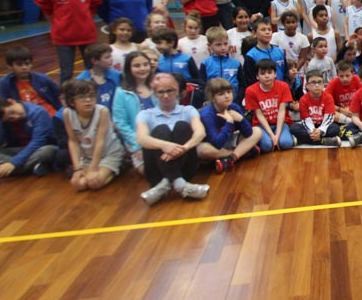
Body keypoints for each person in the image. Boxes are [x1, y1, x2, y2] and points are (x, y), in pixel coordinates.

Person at [135, 73, 209, 204]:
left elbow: (200, 133)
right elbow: (141, 138)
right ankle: (179, 184)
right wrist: (165, 145)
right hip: (156, 171)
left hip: (185, 167)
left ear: (177, 91)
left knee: (182, 126)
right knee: (161, 130)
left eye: (170, 91)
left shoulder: (188, 110)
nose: (166, 96)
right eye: (161, 92)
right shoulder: (145, 114)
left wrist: (183, 148)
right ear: (155, 94)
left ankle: (166, 184)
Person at [0, 98, 57, 183]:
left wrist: (14, 163)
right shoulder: (2, 119)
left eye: (12, 112)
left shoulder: (37, 112)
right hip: (21, 150)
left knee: (48, 150)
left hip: (40, 148)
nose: (15, 117)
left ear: (12, 101)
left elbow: (38, 141)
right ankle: (33, 166)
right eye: (9, 119)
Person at [61, 79, 125, 191]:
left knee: (95, 183)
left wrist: (93, 169)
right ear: (72, 102)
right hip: (87, 156)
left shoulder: (102, 111)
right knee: (80, 184)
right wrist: (77, 169)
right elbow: (73, 141)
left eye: (91, 96)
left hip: (109, 153)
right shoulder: (67, 113)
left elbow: (100, 141)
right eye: (82, 97)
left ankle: (119, 168)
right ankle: (107, 171)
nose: (88, 100)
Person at [197, 77, 262, 173]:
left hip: (230, 140)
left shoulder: (234, 107)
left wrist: (241, 119)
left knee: (257, 131)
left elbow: (249, 133)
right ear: (213, 98)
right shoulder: (207, 115)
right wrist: (229, 122)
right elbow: (217, 144)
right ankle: (240, 153)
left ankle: (230, 159)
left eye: (229, 92)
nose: (227, 96)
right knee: (201, 149)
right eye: (221, 94)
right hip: (215, 145)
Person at [112, 51, 156, 174]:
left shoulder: (158, 86)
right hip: (139, 141)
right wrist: (137, 146)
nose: (142, 69)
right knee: (148, 171)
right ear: (128, 69)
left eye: (145, 64)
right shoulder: (121, 92)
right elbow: (121, 123)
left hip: (162, 136)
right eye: (137, 66)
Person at [245, 58, 295, 152]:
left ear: (275, 74)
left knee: (286, 143)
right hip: (261, 124)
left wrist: (277, 135)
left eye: (269, 72)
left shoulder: (283, 86)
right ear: (257, 76)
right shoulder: (250, 91)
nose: (267, 76)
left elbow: (282, 111)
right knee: (266, 146)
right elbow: (259, 115)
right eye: (262, 73)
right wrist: (272, 135)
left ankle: (289, 137)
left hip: (280, 122)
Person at [0, 46, 61, 116]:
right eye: (19, 64)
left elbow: (58, 96)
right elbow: (4, 105)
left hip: (50, 115)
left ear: (31, 64)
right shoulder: (6, 83)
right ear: (10, 66)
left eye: (27, 64)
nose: (24, 67)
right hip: (26, 117)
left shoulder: (43, 78)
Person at [292, 70, 341, 146]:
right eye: (313, 82)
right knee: (294, 128)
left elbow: (329, 118)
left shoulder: (328, 97)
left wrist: (320, 131)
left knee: (335, 128)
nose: (317, 85)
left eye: (319, 82)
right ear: (307, 85)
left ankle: (303, 140)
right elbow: (306, 120)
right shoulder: (303, 99)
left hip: (323, 125)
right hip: (309, 126)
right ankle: (323, 141)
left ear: (323, 84)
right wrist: (313, 131)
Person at [75, 43, 122, 108]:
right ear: (94, 61)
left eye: (111, 56)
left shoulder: (117, 75)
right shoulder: (81, 80)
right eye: (107, 57)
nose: (111, 59)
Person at [243, 18, 286, 89]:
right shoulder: (251, 55)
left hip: (280, 90)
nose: (267, 32)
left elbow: (286, 74)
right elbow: (250, 80)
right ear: (254, 33)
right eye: (263, 30)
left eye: (269, 29)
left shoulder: (280, 52)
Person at [200, 27, 241, 99]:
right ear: (210, 46)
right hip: (213, 101)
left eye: (225, 44)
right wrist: (208, 99)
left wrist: (238, 99)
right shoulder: (205, 64)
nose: (223, 47)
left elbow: (242, 85)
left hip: (233, 100)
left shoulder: (236, 63)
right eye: (218, 45)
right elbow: (202, 85)